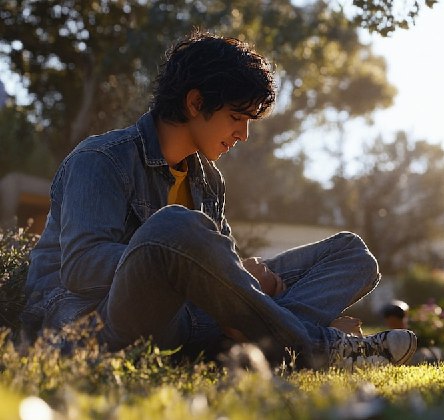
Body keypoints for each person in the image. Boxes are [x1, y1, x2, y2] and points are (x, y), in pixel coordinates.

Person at [19, 31, 416, 369]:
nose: (243, 135)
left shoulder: (208, 179)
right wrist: (201, 269)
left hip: (189, 319)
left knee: (353, 255)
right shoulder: (102, 159)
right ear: (195, 103)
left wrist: (238, 277)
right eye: (236, 117)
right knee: (176, 226)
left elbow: (220, 269)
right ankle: (315, 347)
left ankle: (248, 344)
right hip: (92, 320)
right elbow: (82, 269)